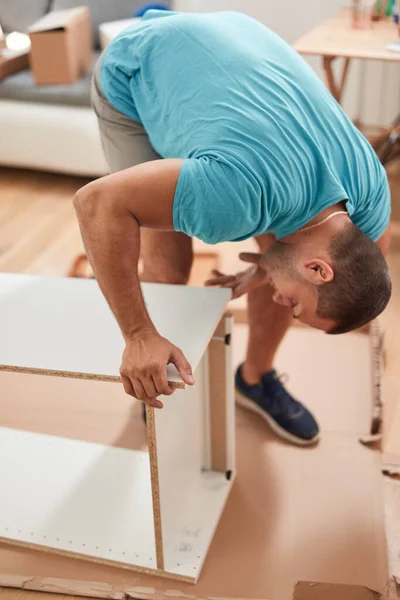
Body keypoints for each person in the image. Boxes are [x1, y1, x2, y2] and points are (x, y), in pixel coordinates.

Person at [73, 10, 391, 446]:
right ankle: (147, 368)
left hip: (230, 40)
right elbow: (96, 203)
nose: (283, 301)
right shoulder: (230, 200)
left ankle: (255, 380)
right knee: (169, 263)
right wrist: (138, 333)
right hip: (139, 66)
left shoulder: (370, 210)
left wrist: (269, 270)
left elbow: (366, 251)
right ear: (320, 268)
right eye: (295, 305)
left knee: (281, 263)